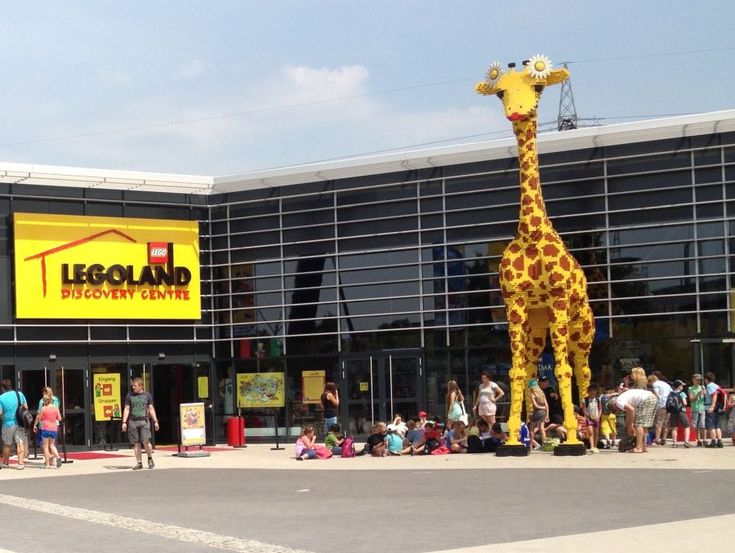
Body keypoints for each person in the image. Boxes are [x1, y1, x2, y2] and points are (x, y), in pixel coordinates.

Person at [121, 377, 160, 470]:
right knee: (136, 443)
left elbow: (151, 409)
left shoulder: (147, 395)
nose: (133, 387)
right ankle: (139, 463)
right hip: (132, 421)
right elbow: (127, 409)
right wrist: (124, 422)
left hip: (144, 421)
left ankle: (150, 458)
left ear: (140, 386)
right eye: (132, 386)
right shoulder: (129, 396)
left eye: (135, 386)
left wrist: (155, 421)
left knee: (146, 441)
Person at [610, 387, 657, 453]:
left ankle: (638, 448)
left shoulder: (618, 402)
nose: (618, 411)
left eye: (615, 410)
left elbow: (631, 410)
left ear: (614, 405)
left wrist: (631, 424)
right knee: (644, 425)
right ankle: (643, 447)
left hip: (646, 399)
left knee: (638, 424)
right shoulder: (624, 399)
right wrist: (629, 424)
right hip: (652, 397)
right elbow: (630, 413)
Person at [0, 379, 28, 469]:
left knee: (7, 444)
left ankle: (5, 462)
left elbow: (0, 412)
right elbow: (26, 407)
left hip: (8, 423)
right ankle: (20, 463)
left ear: (3, 388)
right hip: (19, 422)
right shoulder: (19, 394)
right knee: (20, 442)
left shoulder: (1, 398)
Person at [33, 392, 62, 468]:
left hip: (45, 428)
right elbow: (59, 418)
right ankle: (58, 456)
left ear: (44, 401)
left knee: (45, 446)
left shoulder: (43, 408)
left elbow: (39, 418)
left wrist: (35, 425)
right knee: (52, 445)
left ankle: (47, 464)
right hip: (54, 428)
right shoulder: (55, 408)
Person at [648, 374, 672, 446]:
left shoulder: (655, 385)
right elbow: (671, 392)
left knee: (659, 422)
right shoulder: (666, 384)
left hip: (661, 405)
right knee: (666, 423)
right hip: (668, 405)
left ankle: (657, 439)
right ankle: (664, 439)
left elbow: (657, 395)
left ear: (651, 381)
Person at [667, 380, 690, 448]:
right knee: (686, 426)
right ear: (679, 386)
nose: (683, 387)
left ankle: (674, 443)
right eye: (682, 385)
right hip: (681, 411)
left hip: (673, 412)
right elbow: (685, 403)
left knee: (674, 428)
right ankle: (686, 442)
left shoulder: (671, 393)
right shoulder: (682, 393)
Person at [704, 372, 724, 448]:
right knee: (717, 425)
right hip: (717, 407)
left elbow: (714, 395)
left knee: (711, 426)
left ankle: (713, 442)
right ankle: (720, 441)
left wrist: (712, 407)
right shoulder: (716, 385)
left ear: (706, 379)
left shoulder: (709, 385)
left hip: (711, 407)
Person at [528, 379, 548, 450]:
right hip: (543, 412)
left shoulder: (532, 394)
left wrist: (542, 407)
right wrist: (547, 414)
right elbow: (547, 405)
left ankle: (530, 445)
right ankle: (545, 444)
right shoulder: (542, 393)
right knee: (542, 429)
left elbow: (536, 405)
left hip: (537, 412)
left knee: (531, 429)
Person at [583, 383, 602, 453]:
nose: (593, 392)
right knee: (591, 432)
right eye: (591, 390)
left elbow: (600, 409)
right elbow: (584, 410)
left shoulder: (598, 399)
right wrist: (588, 416)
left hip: (596, 417)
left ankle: (595, 446)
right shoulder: (585, 399)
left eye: (594, 390)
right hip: (589, 418)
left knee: (596, 433)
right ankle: (591, 446)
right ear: (589, 391)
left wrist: (598, 417)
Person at [688, 374, 706, 446]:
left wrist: (704, 390)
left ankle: (704, 439)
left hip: (702, 408)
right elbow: (691, 399)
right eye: (697, 380)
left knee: (702, 425)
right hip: (695, 409)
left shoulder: (702, 387)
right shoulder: (690, 388)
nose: (699, 381)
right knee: (695, 426)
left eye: (700, 380)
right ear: (693, 380)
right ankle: (698, 439)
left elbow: (705, 396)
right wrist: (698, 394)